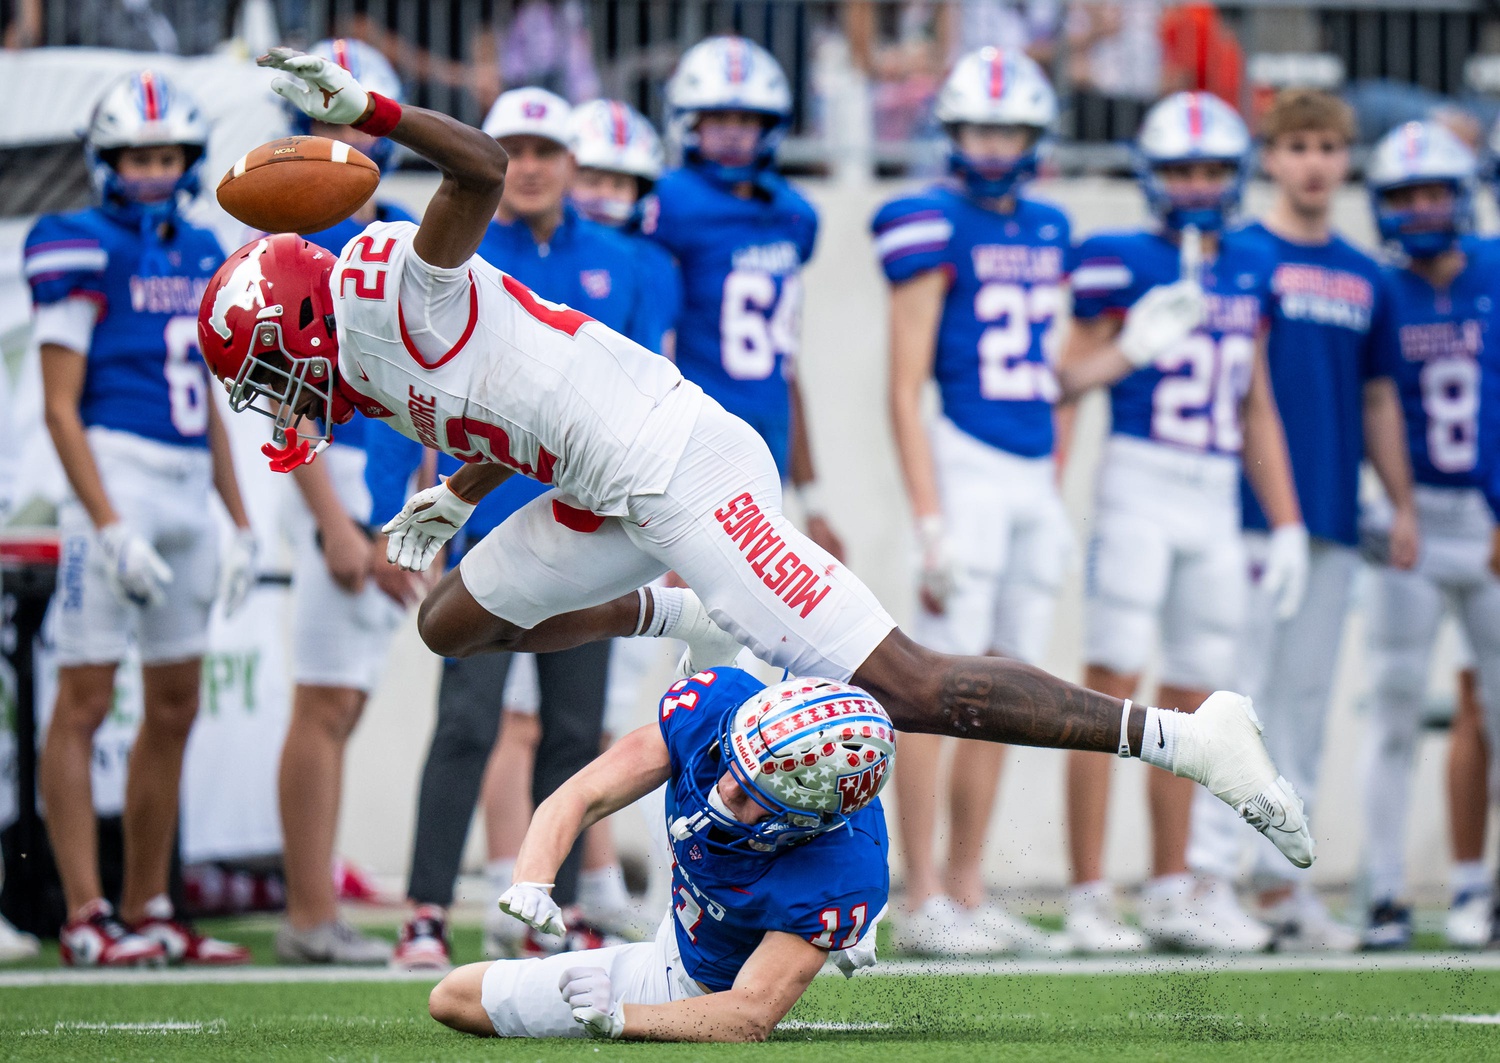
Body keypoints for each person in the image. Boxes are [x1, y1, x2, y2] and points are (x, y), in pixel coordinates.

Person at [197, 49, 1316, 896]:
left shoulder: (393, 289)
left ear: (303, 323)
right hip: (595, 487)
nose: (274, 400)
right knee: (452, 621)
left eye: (266, 373)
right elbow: (502, 397)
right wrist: (457, 491)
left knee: (913, 686)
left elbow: (481, 168)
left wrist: (377, 118)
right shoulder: (367, 353)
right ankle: (673, 610)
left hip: (681, 468)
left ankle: (1188, 738)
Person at [387, 86, 671, 970]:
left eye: (549, 149)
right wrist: (427, 496)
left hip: (589, 525)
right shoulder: (456, 247)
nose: (536, 164)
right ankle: (426, 911)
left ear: (573, 162)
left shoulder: (630, 262)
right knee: (467, 722)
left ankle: (555, 902)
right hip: (485, 518)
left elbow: (645, 398)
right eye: (518, 148)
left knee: (573, 728)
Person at [1057, 91, 1307, 953]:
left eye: (1209, 170)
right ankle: (1090, 889)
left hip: (1213, 490)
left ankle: (1171, 886)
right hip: (1139, 474)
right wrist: (1126, 352)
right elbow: (1064, 377)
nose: (1196, 186)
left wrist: (1287, 522)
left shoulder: (1248, 262)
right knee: (1108, 688)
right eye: (1180, 170)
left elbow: (1259, 407)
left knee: (1201, 698)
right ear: (1150, 176)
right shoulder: (1117, 256)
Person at [1183, 89, 1418, 953]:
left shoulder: (1367, 274)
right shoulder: (1241, 252)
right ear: (1270, 158)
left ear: (1346, 160)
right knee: (1233, 692)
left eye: (1330, 145)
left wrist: (1399, 502)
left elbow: (1382, 397)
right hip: (1241, 515)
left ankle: (1283, 882)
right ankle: (1207, 876)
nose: (1315, 161)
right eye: (1299, 146)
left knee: (1307, 704)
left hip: (1328, 515)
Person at [30, 70, 255, 966]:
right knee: (84, 700)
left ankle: (148, 901)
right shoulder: (74, 242)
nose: (154, 172)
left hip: (187, 486)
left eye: (167, 156)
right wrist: (108, 520)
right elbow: (57, 406)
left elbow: (211, 391)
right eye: (138, 157)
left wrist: (238, 519)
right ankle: (87, 913)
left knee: (174, 705)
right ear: (106, 161)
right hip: (114, 477)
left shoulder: (202, 248)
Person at [872, 48, 1069, 957]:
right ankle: (920, 895)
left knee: (1010, 682)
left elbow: (1055, 377)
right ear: (953, 133)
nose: (993, 147)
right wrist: (929, 514)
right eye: (979, 129)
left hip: (1030, 475)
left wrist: (1059, 488)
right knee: (932, 689)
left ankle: (968, 883)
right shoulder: (929, 221)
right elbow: (904, 384)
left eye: (1008, 130)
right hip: (964, 463)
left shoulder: (1054, 225)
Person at [427, 669, 893, 1041]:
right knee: (449, 996)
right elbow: (583, 793)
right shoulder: (716, 724)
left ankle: (849, 929)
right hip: (689, 858)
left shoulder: (840, 869)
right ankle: (691, 619)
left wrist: (623, 1017)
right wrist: (532, 877)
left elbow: (749, 1015)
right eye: (733, 762)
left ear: (802, 821)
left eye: (753, 794)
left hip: (691, 984)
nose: (724, 787)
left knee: (458, 998)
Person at [271, 38, 427, 967]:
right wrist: (336, 521)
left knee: (346, 703)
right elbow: (281, 392)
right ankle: (306, 909)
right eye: (322, 114)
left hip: (384, 486)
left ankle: (315, 898)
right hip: (336, 492)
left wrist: (415, 503)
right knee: (323, 703)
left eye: (352, 113)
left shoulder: (401, 222)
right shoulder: (290, 233)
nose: (339, 133)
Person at [1355, 121, 1500, 949]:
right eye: (1404, 194)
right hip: (1413, 521)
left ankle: (1481, 887)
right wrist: (1384, 503)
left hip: (1488, 522)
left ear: (1462, 194)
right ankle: (1383, 889)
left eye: (1433, 191)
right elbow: (1364, 402)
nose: (1420, 208)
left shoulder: (1494, 270)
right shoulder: (1382, 289)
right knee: (1396, 708)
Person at [642, 36, 844, 560]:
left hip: (767, 448)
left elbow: (787, 368)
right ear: (689, 122)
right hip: (691, 445)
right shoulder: (670, 203)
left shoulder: (795, 215)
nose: (733, 133)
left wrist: (815, 499)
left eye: (747, 119)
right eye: (718, 118)